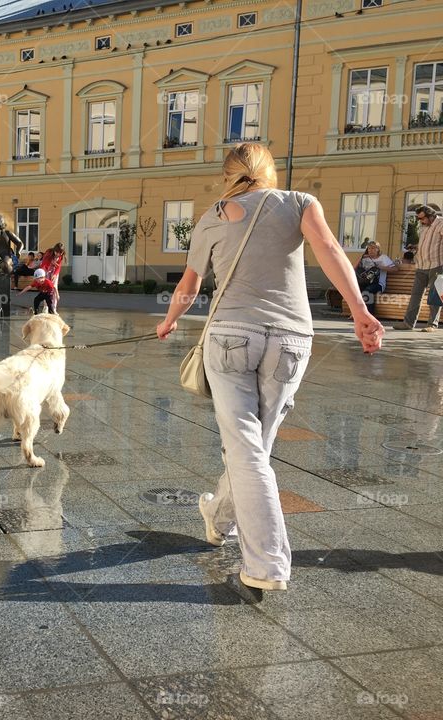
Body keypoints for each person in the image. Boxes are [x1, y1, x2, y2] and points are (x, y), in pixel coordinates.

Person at [156, 142, 383, 593]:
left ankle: (267, 563)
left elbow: (190, 281)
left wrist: (170, 321)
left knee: (245, 447)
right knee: (255, 445)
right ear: (269, 171)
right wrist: (360, 313)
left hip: (229, 336)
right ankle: (219, 515)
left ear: (228, 176)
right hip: (290, 340)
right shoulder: (300, 203)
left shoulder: (212, 216)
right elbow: (331, 250)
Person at [395, 205, 443, 332]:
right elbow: (427, 244)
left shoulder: (441, 224)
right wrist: (416, 247)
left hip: (438, 265)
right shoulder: (423, 227)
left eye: (422, 218)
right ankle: (408, 323)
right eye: (418, 218)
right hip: (421, 265)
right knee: (415, 295)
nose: (420, 221)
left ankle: (432, 325)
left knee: (436, 296)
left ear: (431, 216)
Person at [355, 241, 397, 316]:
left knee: (367, 290)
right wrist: (361, 256)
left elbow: (395, 269)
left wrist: (381, 267)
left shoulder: (383, 258)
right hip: (365, 282)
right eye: (369, 248)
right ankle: (357, 313)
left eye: (373, 248)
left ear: (378, 249)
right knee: (355, 290)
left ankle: (370, 315)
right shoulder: (365, 258)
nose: (371, 250)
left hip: (379, 284)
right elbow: (353, 268)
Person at [39, 243, 66, 310]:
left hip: (54, 272)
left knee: (54, 288)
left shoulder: (60, 256)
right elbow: (43, 263)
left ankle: (53, 308)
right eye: (56, 252)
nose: (58, 254)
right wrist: (51, 262)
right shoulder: (49, 252)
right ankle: (46, 307)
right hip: (46, 270)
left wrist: (55, 274)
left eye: (60, 253)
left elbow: (58, 267)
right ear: (54, 250)